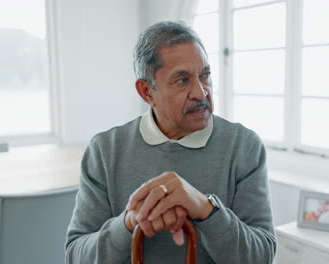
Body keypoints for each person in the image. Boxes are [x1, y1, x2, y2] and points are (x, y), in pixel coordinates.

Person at [65, 21, 276, 263]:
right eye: (182, 80)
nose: (201, 92)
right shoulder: (104, 150)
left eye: (205, 76)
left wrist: (206, 210)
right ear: (146, 92)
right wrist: (129, 223)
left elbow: (262, 257)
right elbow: (75, 256)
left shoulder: (244, 146)